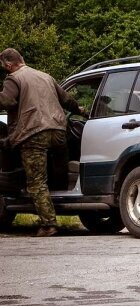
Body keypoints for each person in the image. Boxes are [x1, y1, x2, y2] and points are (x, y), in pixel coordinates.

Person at [0, 48, 84, 237]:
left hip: (33, 133)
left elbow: (6, 101)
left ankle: (48, 224)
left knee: (36, 182)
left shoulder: (13, 78)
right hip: (59, 131)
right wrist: (81, 111)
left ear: (8, 64)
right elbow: (67, 100)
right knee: (57, 170)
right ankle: (67, 197)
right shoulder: (46, 76)